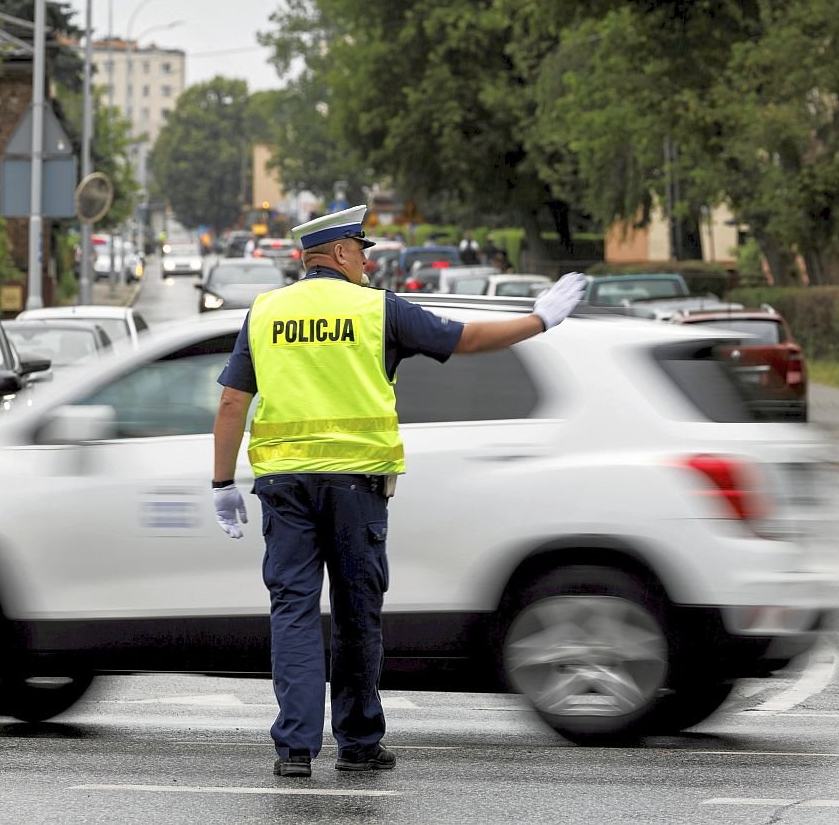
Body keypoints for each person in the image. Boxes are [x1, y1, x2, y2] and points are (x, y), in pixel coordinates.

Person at [210, 204, 586, 779]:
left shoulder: (266, 311)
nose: (365, 262)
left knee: (293, 611)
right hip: (357, 486)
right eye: (361, 251)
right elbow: (465, 338)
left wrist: (221, 482)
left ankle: (294, 749)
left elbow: (233, 399)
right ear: (338, 253)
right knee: (358, 614)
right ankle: (358, 743)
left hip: (284, 486)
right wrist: (538, 321)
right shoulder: (377, 309)